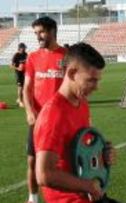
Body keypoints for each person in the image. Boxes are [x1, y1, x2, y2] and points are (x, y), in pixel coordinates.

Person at [34, 42, 116, 203]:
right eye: (91, 80)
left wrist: (103, 154)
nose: (96, 87)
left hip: (87, 196)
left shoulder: (81, 103)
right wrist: (87, 186)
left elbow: (81, 151)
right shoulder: (54, 114)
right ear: (71, 73)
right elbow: (44, 175)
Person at [23, 16, 67, 203]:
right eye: (36, 33)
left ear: (52, 31)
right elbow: (26, 88)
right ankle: (33, 199)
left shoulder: (67, 56)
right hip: (39, 121)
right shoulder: (32, 57)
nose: (38, 36)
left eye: (41, 32)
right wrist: (29, 111)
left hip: (63, 120)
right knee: (32, 161)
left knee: (66, 163)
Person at [11, 42, 27, 107]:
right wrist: (18, 68)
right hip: (18, 73)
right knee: (20, 87)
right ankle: (20, 101)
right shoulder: (16, 55)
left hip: (24, 73)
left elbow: (27, 62)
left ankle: (19, 99)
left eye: (25, 48)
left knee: (24, 87)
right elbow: (11, 66)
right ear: (20, 48)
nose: (24, 49)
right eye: (23, 48)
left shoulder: (26, 54)